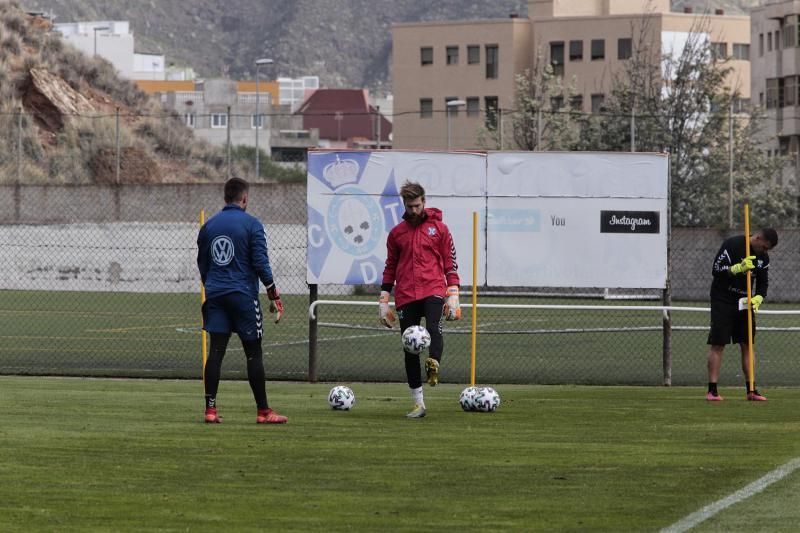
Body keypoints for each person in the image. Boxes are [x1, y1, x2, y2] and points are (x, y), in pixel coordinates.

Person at [197, 177, 287, 424]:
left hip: (216, 295)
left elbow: (202, 264)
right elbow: (260, 262)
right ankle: (263, 412)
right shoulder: (252, 225)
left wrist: (213, 285)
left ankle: (210, 410)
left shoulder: (209, 226)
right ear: (244, 199)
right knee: (253, 355)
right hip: (243, 297)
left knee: (215, 352)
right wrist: (273, 293)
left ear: (225, 198)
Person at [379, 181, 461, 418]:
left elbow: (450, 261)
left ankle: (433, 362)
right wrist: (384, 301)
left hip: (433, 288)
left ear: (424, 202)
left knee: (434, 328)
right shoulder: (396, 234)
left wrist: (453, 294)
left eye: (417, 205)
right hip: (405, 294)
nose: (413, 210)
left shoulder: (440, 229)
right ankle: (418, 403)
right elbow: (390, 267)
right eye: (409, 206)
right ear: (404, 205)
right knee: (409, 348)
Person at [706, 228, 778, 402]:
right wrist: (737, 269)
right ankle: (712, 390)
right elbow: (716, 270)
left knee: (748, 344)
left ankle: (751, 390)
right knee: (718, 343)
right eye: (765, 247)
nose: (765, 251)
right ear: (758, 238)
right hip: (723, 299)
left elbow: (763, 282)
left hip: (743, 302)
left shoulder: (763, 257)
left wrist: (759, 296)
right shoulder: (732, 245)